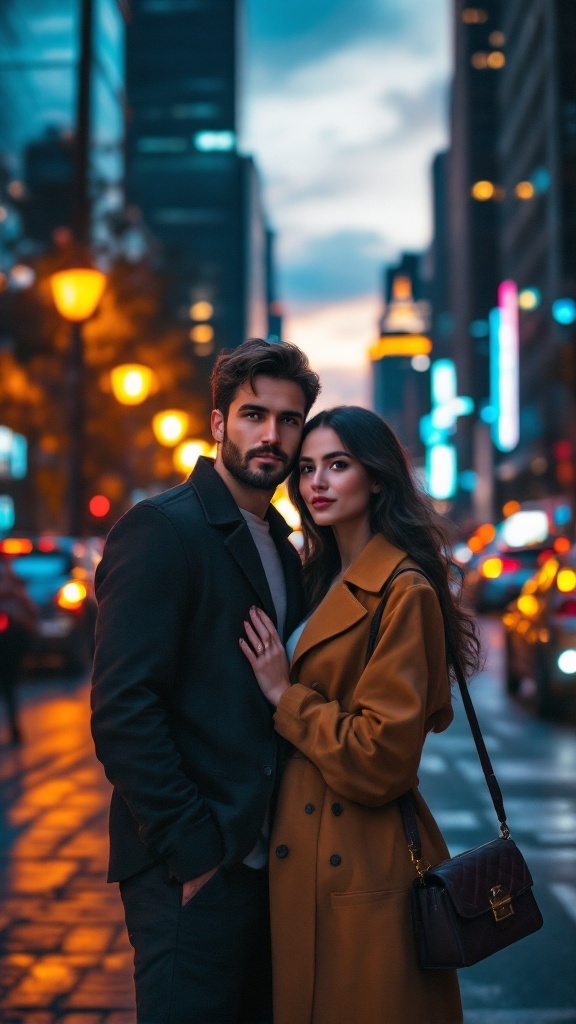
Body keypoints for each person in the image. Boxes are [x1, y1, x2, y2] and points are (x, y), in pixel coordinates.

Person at [90, 338, 321, 1024]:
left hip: (266, 871)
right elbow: (124, 710)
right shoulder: (162, 529)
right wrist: (194, 855)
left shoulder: (281, 543)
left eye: (288, 420)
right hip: (191, 870)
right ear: (218, 423)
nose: (271, 435)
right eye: (254, 415)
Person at [240, 405, 480, 1024]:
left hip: (361, 862)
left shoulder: (405, 590)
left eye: (338, 465)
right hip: (304, 853)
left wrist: (283, 694)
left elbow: (383, 759)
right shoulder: (315, 577)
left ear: (376, 478)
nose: (316, 482)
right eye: (309, 468)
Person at [0, 552, 38, 745]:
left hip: (10, 640)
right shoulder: (12, 584)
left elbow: (31, 610)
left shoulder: (14, 584)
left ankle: (15, 728)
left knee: (8, 684)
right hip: (11, 639)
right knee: (8, 685)